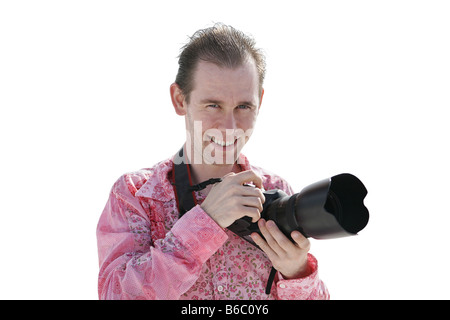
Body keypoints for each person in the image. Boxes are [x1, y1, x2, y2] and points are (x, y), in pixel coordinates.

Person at [96, 23, 329, 300]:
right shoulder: (136, 195)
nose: (229, 126)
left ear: (260, 101)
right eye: (213, 105)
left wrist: (297, 273)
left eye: (244, 106)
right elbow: (117, 296)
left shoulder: (276, 190)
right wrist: (206, 222)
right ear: (180, 99)